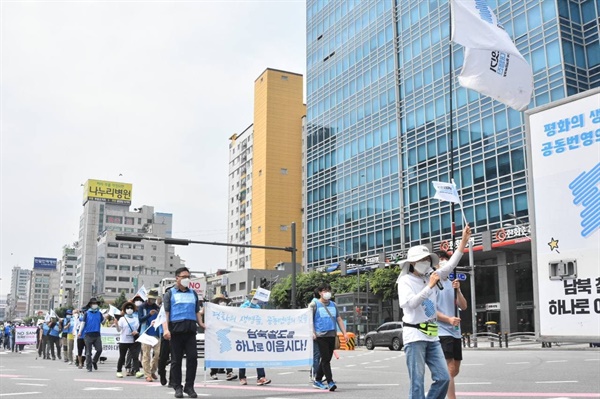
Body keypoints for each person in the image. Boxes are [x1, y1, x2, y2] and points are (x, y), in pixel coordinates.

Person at [397, 225, 471, 399]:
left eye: (427, 259)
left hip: (432, 334)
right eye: (421, 259)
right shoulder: (405, 281)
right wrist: (429, 286)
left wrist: (463, 242)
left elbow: (451, 264)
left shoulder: (432, 276)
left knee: (444, 377)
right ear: (412, 263)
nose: (425, 262)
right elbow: (411, 304)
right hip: (415, 335)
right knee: (417, 382)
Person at [162, 267, 203, 399]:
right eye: (184, 276)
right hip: (176, 331)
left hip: (190, 331)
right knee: (176, 361)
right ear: (177, 278)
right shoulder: (170, 293)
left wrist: (201, 324)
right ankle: (177, 387)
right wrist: (166, 329)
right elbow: (165, 314)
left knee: (193, 359)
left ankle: (189, 387)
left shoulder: (193, 293)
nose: (187, 279)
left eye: (188, 277)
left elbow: (197, 311)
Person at [435, 250, 468, 399]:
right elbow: (430, 311)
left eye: (445, 260)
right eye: (440, 260)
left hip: (456, 331)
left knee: (455, 370)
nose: (443, 262)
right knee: (450, 368)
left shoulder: (452, 283)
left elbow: (464, 306)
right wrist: (447, 319)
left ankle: (439, 389)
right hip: (442, 331)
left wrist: (458, 290)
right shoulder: (433, 284)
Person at [309, 282, 348, 391]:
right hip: (320, 336)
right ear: (320, 293)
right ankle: (330, 382)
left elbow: (339, 319)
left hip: (332, 335)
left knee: (326, 359)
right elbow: (309, 320)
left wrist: (344, 333)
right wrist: (312, 332)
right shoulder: (314, 305)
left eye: (328, 291)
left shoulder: (333, 305)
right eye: (325, 291)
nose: (327, 293)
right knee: (326, 359)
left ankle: (317, 380)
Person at [203, 294, 237, 382]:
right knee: (215, 353)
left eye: (224, 301)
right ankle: (213, 372)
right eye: (220, 300)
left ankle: (229, 372)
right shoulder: (210, 310)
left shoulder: (228, 311)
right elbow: (202, 314)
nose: (222, 302)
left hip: (225, 334)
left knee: (227, 352)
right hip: (214, 334)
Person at [237, 295, 270, 386]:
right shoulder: (243, 306)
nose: (255, 300)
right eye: (253, 298)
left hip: (255, 334)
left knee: (258, 356)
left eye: (256, 298)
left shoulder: (258, 308)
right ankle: (242, 377)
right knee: (243, 356)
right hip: (244, 334)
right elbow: (239, 316)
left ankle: (261, 377)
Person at [139, 289, 161, 382]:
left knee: (158, 354)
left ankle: (152, 371)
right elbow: (140, 320)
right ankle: (147, 374)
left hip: (156, 333)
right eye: (151, 298)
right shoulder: (142, 307)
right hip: (146, 333)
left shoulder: (157, 307)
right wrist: (149, 314)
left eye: (154, 299)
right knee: (146, 355)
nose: (152, 300)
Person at [79, 297, 106, 372]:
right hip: (88, 335)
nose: (95, 305)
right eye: (93, 303)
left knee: (99, 350)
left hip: (97, 334)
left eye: (96, 303)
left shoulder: (99, 313)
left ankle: (94, 361)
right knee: (88, 352)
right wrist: (80, 332)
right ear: (90, 305)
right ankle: (89, 366)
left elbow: (103, 323)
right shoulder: (87, 313)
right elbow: (83, 323)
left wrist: (106, 318)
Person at [114, 301, 141, 378]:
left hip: (133, 340)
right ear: (125, 310)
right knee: (122, 356)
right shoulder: (122, 319)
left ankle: (137, 371)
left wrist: (136, 332)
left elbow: (138, 328)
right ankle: (119, 371)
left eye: (131, 308)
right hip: (124, 340)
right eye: (128, 308)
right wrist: (116, 324)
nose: (129, 309)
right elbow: (119, 330)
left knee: (135, 356)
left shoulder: (136, 319)